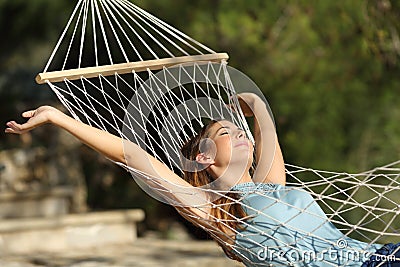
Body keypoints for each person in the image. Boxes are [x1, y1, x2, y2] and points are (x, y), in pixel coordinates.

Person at [5, 93, 399, 266]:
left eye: (240, 129)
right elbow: (132, 155)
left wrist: (254, 103)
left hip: (379, 256)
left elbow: (266, 131)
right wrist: (58, 118)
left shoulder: (271, 185)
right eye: (227, 132)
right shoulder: (215, 212)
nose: (241, 132)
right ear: (203, 157)